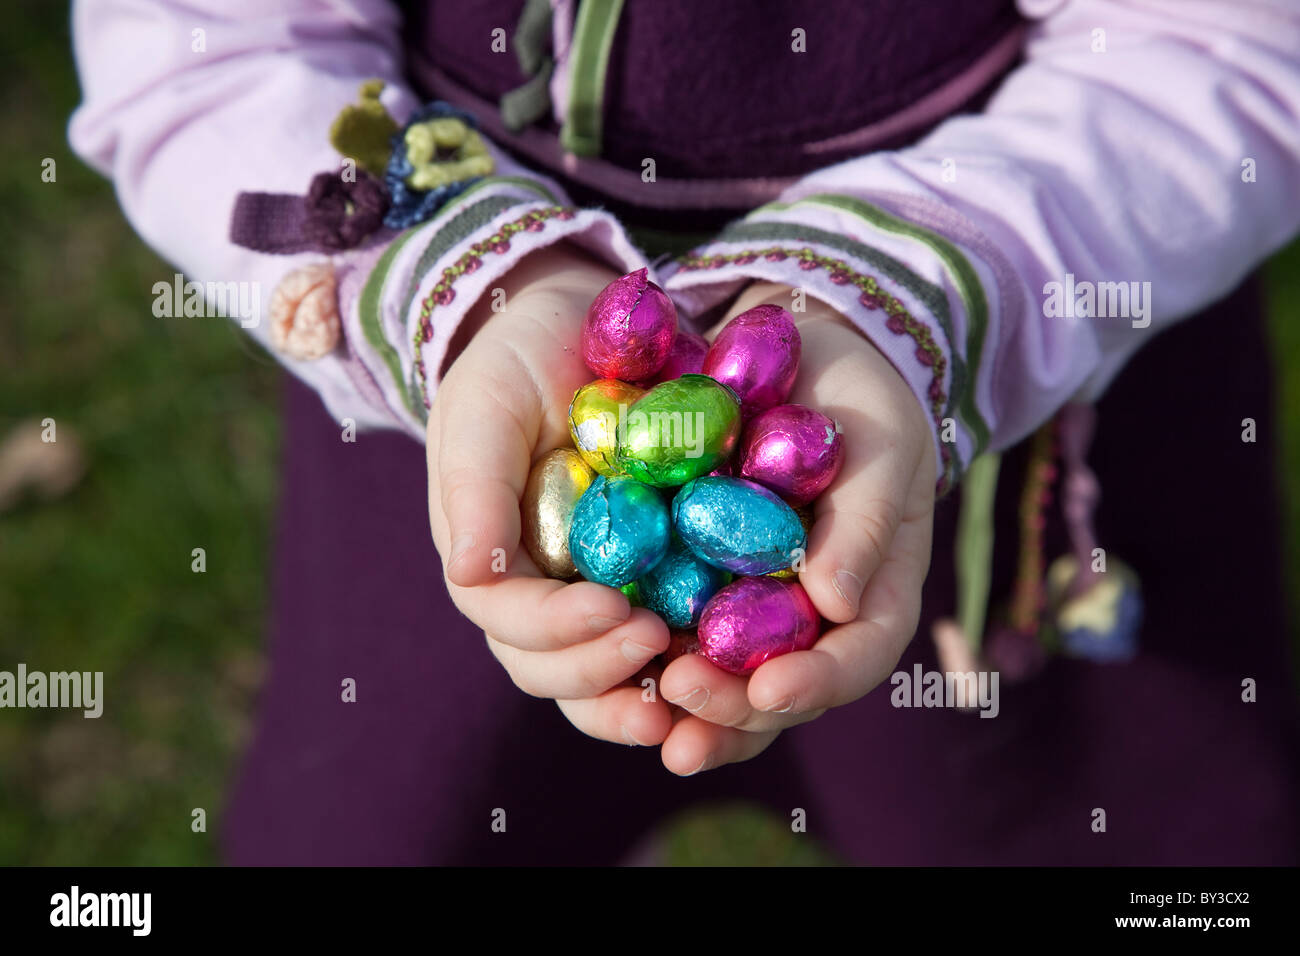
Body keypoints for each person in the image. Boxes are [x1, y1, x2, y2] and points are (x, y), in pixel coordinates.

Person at [70, 0, 1300, 864]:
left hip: (1023, 414)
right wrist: (468, 282)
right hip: (462, 424)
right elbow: (201, 47)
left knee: (1095, 818)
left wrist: (901, 295)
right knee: (397, 812)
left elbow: (1223, 44)